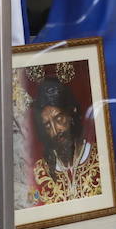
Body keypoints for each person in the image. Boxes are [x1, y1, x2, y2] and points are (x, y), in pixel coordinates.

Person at [30, 76, 101, 204]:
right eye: (47, 125)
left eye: (59, 119)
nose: (55, 131)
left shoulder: (99, 158)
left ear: (71, 112)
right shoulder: (38, 173)